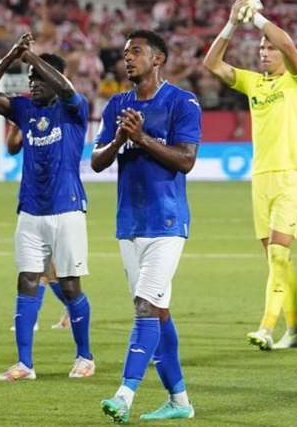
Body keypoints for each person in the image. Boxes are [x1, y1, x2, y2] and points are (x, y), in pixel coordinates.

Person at [92, 29, 200, 423]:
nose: (128, 58)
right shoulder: (116, 105)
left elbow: (186, 160)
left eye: (136, 52)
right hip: (130, 224)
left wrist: (143, 137)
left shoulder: (182, 102)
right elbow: (97, 161)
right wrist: (121, 137)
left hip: (168, 222)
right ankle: (179, 400)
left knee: (144, 308)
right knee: (159, 313)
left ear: (158, 59)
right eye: (124, 53)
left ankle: (124, 395)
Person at [0, 33, 94, 381]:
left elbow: (67, 88)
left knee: (70, 285)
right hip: (30, 210)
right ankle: (24, 364)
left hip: (67, 208)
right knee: (27, 281)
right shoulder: (24, 108)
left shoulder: (74, 109)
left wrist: (34, 59)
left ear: (56, 81)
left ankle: (85, 356)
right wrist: (13, 56)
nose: (33, 85)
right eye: (30, 80)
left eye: (39, 80)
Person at [203, 0, 297, 350]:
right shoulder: (253, 82)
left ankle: (266, 327)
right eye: (261, 48)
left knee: (279, 256)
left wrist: (258, 18)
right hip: (260, 178)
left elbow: (288, 43)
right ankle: (296, 329)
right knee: (276, 260)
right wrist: (233, 22)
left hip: (291, 176)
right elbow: (212, 63)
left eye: (269, 48)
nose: (263, 52)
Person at [5, 121, 70, 331]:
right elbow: (12, 148)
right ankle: (67, 310)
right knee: (43, 269)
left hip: (58, 205)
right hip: (33, 203)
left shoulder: (60, 125)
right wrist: (16, 127)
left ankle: (34, 317)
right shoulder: (32, 122)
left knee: (43, 268)